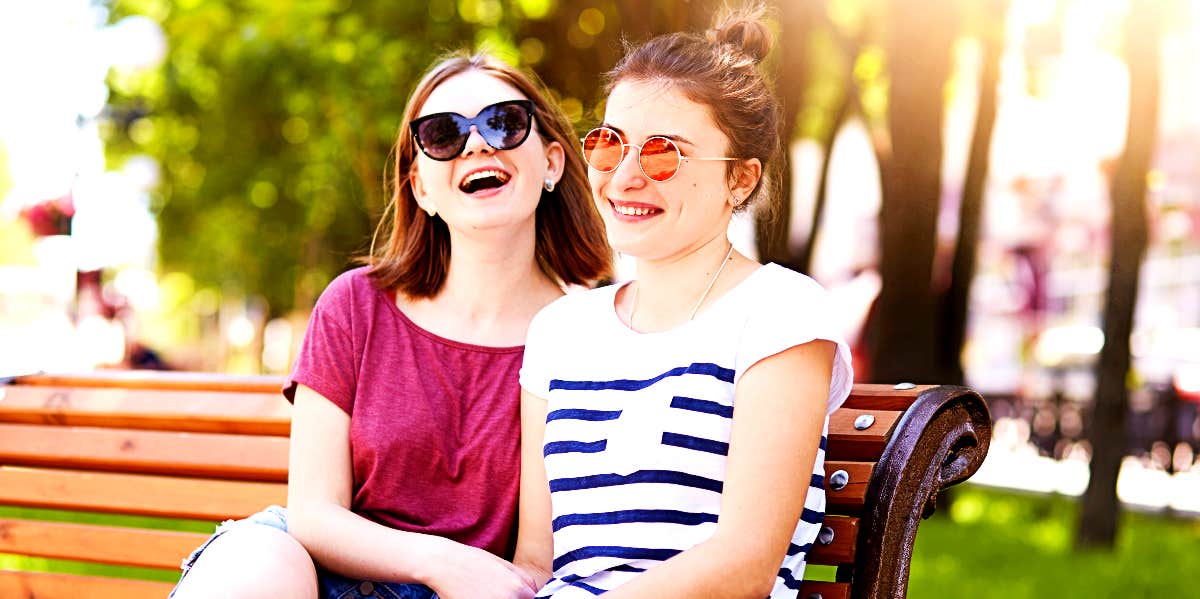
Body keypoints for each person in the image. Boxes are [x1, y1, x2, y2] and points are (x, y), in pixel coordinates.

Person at [170, 51, 611, 599]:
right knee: (259, 561)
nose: (477, 144)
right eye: (443, 134)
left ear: (551, 162)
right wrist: (442, 562)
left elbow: (544, 560)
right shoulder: (354, 306)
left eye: (503, 122)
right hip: (326, 577)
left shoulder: (590, 333)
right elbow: (312, 513)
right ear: (421, 188)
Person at [513, 6, 854, 598]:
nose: (623, 178)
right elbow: (537, 561)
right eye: (609, 145)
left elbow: (745, 566)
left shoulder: (781, 314)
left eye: (664, 153)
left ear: (740, 180)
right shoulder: (559, 332)